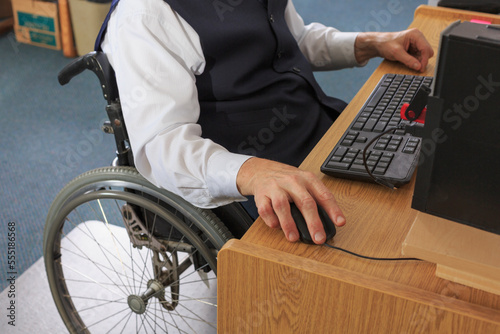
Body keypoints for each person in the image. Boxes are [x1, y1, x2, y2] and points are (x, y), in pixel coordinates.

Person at [97, 0, 434, 245]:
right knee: (390, 240)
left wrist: (369, 44)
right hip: (251, 179)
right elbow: (163, 146)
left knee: (427, 184)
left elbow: (294, 41)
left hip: (319, 133)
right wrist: (252, 172)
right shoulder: (145, 14)